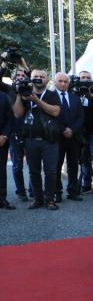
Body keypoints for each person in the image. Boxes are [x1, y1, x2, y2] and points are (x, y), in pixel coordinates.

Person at [12, 69, 62, 210]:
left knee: (51, 172)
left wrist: (36, 100)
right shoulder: (24, 94)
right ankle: (38, 199)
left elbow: (55, 111)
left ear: (47, 80)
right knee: (33, 171)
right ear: (30, 79)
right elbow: (17, 114)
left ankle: (50, 199)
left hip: (49, 141)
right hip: (31, 140)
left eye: (42, 76)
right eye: (35, 76)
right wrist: (19, 94)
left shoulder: (52, 95)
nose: (39, 78)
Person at [53, 72, 85, 202]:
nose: (63, 84)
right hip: (57, 137)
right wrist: (63, 129)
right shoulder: (50, 97)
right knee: (56, 166)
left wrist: (72, 129)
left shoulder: (75, 98)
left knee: (73, 166)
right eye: (60, 81)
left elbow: (80, 117)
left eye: (65, 81)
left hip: (74, 137)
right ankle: (57, 193)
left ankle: (73, 192)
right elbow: (50, 116)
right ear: (55, 82)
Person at [6, 68, 33, 201]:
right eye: (18, 75)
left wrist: (22, 62)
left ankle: (33, 190)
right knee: (17, 165)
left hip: (30, 132)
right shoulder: (9, 91)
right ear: (13, 78)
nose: (21, 77)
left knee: (33, 164)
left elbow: (30, 74)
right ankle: (21, 192)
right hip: (15, 132)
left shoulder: (30, 90)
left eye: (23, 75)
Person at [0, 90, 15, 209]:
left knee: (1, 170)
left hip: (1, 141)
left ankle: (2, 199)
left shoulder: (4, 96)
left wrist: (5, 135)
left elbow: (10, 118)